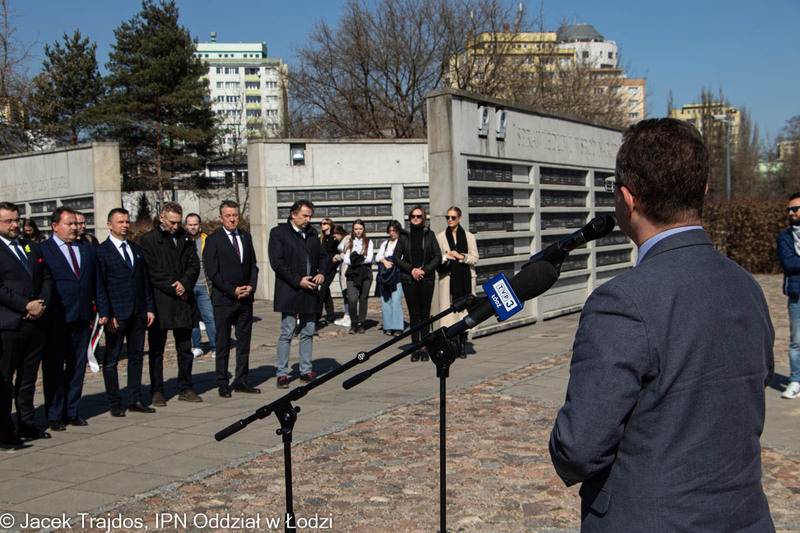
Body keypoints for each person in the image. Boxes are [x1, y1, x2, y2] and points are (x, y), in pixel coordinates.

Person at [549, 118, 775, 531]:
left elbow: (578, 448)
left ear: (626, 198)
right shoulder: (747, 286)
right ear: (703, 190)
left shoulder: (621, 302)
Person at [40, 206, 97, 431]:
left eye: (76, 223)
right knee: (54, 368)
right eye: (69, 224)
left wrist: (101, 310)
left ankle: (72, 410)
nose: (75, 227)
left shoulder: (86, 248)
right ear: (55, 226)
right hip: (57, 318)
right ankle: (54, 414)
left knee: (77, 366)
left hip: (81, 316)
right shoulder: (43, 250)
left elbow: (95, 282)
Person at [95, 208, 156, 416]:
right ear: (109, 225)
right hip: (116, 314)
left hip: (138, 312)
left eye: (127, 221)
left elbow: (144, 281)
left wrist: (149, 308)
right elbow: (100, 286)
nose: (125, 225)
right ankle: (114, 402)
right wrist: (107, 313)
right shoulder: (102, 252)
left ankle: (134, 399)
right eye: (120, 222)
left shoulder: (135, 249)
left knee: (136, 357)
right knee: (112, 359)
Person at [140, 202, 202, 405]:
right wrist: (173, 286)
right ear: (161, 218)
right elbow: (151, 270)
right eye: (171, 222)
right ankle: (157, 390)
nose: (175, 226)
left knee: (184, 348)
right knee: (157, 350)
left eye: (178, 222)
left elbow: (194, 264)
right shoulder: (149, 240)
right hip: (161, 301)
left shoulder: (185, 238)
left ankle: (186, 387)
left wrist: (185, 283)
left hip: (183, 301)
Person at [0, 202, 52, 443]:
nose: (14, 225)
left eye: (16, 220)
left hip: (35, 323)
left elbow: (47, 278)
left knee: (28, 378)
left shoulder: (30, 247)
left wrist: (41, 303)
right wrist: (24, 305)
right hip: (9, 325)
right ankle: (4, 429)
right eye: (8, 221)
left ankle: (27, 422)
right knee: (4, 380)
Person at [268, 200, 329, 388]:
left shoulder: (312, 233)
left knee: (308, 331)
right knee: (287, 332)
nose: (308, 220)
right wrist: (298, 280)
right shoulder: (279, 233)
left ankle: (305, 370)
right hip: (290, 290)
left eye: (310, 216)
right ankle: (282, 373)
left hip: (309, 291)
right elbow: (277, 263)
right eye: (304, 216)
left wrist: (321, 273)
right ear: (293, 214)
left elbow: (323, 257)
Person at [203, 201, 260, 397]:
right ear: (221, 218)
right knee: (223, 344)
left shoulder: (245, 236)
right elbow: (213, 272)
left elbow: (253, 265)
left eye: (235, 215)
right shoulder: (213, 240)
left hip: (245, 299)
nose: (232, 219)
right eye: (228, 216)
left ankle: (242, 380)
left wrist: (251, 286)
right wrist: (232, 290)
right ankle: (222, 382)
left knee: (244, 342)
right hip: (224, 300)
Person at [394, 205, 441, 361]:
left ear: (423, 218)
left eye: (418, 216)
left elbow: (437, 256)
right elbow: (396, 257)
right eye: (413, 216)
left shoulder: (430, 235)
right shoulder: (404, 235)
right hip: (409, 280)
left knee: (425, 314)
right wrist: (412, 270)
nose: (415, 218)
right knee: (414, 314)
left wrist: (424, 271)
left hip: (426, 279)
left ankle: (425, 347)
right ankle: (415, 348)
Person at [436, 207, 479, 357]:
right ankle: (453, 344)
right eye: (447, 217)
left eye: (453, 217)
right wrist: (446, 257)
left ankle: (462, 344)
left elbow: (475, 258)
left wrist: (461, 256)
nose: (450, 220)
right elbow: (436, 257)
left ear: (459, 218)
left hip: (465, 280)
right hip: (448, 280)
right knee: (450, 314)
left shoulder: (469, 237)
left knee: (464, 313)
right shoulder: (441, 237)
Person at [184, 213, 217, 358]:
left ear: (200, 225)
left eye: (195, 224)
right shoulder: (182, 241)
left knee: (209, 318)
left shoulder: (207, 240)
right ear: (186, 225)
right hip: (189, 286)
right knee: (192, 319)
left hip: (204, 285)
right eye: (190, 224)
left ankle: (215, 346)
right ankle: (197, 346)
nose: (193, 227)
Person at [778, 192, 800, 399]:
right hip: (797, 294)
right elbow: (789, 263)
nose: (791, 213)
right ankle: (795, 380)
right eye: (789, 210)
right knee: (797, 341)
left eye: (795, 209)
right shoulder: (785, 237)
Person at [343, 219, 374, 334]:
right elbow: (346, 259)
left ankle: (361, 323)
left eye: (360, 229)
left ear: (364, 229)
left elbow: (369, 258)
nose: (358, 231)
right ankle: (354, 323)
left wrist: (355, 259)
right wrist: (358, 259)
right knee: (352, 299)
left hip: (365, 272)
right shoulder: (349, 242)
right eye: (356, 229)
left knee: (363, 298)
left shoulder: (368, 242)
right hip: (352, 273)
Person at [376, 220, 404, 336]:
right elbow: (378, 256)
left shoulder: (401, 243)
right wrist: (385, 261)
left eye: (394, 231)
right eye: (390, 231)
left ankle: (397, 326)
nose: (392, 233)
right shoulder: (385, 244)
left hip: (396, 274)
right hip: (386, 274)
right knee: (385, 301)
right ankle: (388, 326)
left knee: (396, 301)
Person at [317, 218, 338, 327]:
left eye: (324, 223)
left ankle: (317, 315)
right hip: (323, 268)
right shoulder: (321, 238)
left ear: (330, 225)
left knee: (322, 292)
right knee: (326, 292)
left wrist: (335, 258)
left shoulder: (334, 238)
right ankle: (331, 315)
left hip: (331, 268)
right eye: (321, 224)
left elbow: (338, 250)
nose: (322, 225)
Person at [331, 225, 351, 327]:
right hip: (342, 266)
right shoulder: (343, 240)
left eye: (335, 236)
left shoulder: (348, 239)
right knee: (344, 292)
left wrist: (338, 257)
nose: (335, 239)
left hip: (346, 266)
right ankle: (346, 314)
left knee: (347, 292)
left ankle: (349, 315)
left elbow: (348, 253)